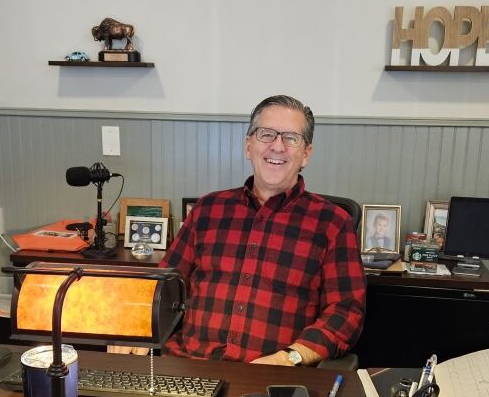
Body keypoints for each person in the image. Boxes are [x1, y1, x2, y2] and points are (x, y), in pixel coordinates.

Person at [156, 94, 366, 366]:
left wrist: (290, 357)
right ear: (248, 146)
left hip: (273, 380)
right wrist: (132, 333)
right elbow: (163, 284)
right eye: (266, 134)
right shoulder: (208, 210)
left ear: (306, 154)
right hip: (188, 366)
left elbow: (346, 312)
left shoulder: (333, 223)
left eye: (291, 138)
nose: (277, 147)